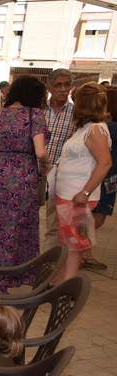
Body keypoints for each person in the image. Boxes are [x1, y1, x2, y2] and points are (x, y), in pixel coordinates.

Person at [0, 76, 48, 292]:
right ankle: (16, 274)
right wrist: (46, 164)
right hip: (24, 178)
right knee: (19, 227)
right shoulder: (35, 116)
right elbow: (40, 152)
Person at [54, 82, 112, 281]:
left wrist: (85, 192)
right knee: (69, 241)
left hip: (77, 196)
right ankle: (64, 279)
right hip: (69, 195)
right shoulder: (86, 128)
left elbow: (105, 163)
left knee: (73, 243)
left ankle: (67, 284)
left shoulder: (95, 130)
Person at [84, 87, 117, 271]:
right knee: (95, 216)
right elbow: (105, 161)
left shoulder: (101, 126)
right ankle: (82, 253)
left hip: (106, 176)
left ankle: (83, 253)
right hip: (105, 177)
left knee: (94, 216)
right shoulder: (107, 128)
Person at [44, 68, 75, 251]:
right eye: (58, 85)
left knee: (54, 223)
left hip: (60, 176)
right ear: (49, 87)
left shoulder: (76, 113)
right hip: (36, 174)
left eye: (67, 85)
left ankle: (49, 266)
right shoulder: (39, 110)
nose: (63, 89)